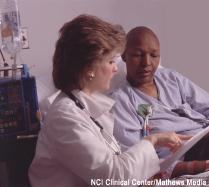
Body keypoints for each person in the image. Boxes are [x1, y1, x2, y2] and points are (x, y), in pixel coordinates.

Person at [28, 15, 188, 187]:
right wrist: (152, 141)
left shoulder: (86, 108)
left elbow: (116, 163)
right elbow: (112, 177)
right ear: (89, 67)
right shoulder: (64, 118)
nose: (115, 68)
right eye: (111, 61)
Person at [111, 26, 209, 178]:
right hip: (187, 153)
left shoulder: (172, 78)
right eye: (137, 55)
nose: (146, 62)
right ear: (124, 56)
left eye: (154, 55)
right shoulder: (121, 101)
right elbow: (137, 158)